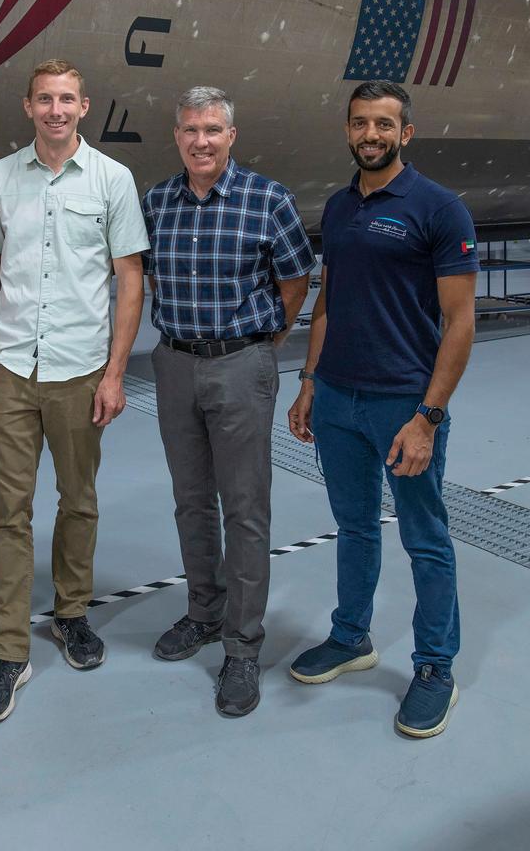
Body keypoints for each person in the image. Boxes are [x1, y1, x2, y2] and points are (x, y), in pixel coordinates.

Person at [287, 80, 478, 738]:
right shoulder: (339, 208)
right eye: (360, 123)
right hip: (337, 397)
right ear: (347, 129)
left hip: (402, 402)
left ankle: (434, 669)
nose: (371, 134)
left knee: (424, 535)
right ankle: (350, 638)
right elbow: (328, 302)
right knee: (354, 524)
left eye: (384, 125)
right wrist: (309, 382)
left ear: (406, 133)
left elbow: (458, 323)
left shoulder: (438, 208)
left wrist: (426, 416)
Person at [0, 58, 148, 723]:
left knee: (79, 500)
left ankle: (71, 614)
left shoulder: (111, 180)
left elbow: (130, 279)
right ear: (28, 106)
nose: (55, 110)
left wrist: (115, 371)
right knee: (7, 515)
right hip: (11, 369)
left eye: (66, 98)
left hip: (79, 371)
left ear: (84, 104)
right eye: (44, 99)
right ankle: (9, 653)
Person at [142, 86, 314, 717]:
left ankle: (242, 648)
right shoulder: (157, 202)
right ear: (177, 135)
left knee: (244, 509)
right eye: (190, 130)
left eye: (212, 130)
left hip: (242, 364)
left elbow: (296, 282)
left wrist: (261, 346)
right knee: (191, 502)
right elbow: (155, 278)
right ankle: (203, 614)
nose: (201, 141)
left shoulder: (268, 200)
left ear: (231, 136)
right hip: (175, 363)